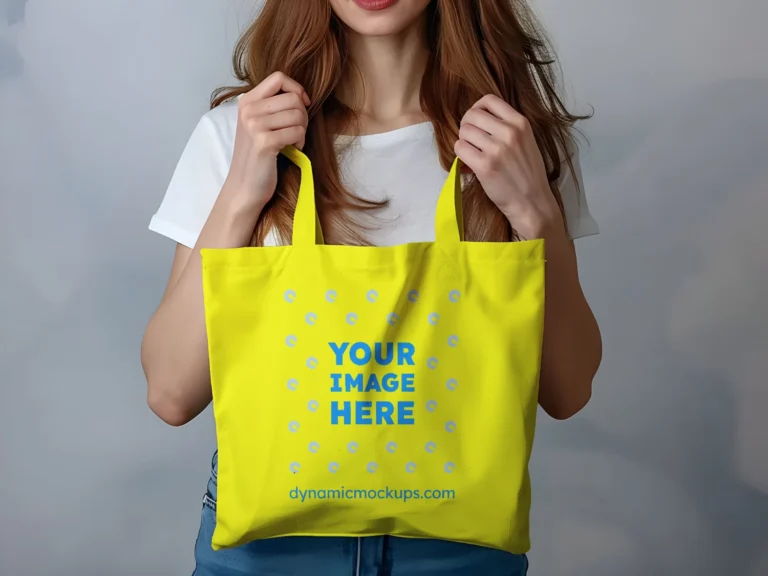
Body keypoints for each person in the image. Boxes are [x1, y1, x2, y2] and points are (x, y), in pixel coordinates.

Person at [141, 0, 603, 573]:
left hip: (457, 555)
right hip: (268, 555)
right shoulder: (240, 135)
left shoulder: (511, 141)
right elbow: (170, 394)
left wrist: (537, 213)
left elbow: (568, 391)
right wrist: (241, 190)